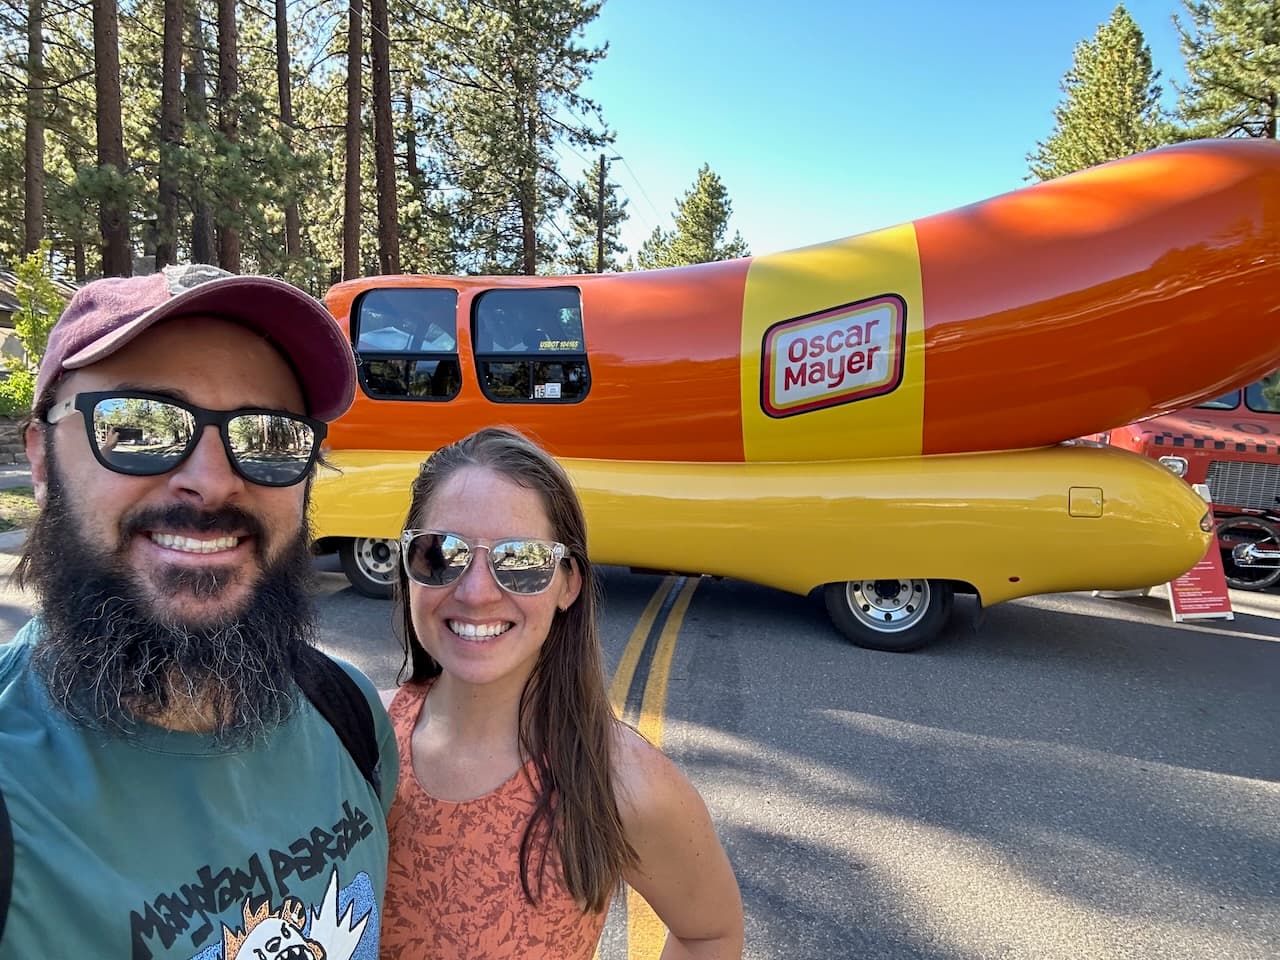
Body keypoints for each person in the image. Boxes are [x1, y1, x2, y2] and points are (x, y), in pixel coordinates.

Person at [0, 264, 399, 959]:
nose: (214, 482)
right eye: (138, 424)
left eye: (269, 436)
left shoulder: (350, 716)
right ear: (41, 460)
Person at [380, 426, 744, 959]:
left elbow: (709, 932)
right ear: (409, 567)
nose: (477, 591)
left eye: (521, 561)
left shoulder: (620, 781)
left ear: (568, 582)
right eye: (442, 554)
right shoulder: (360, 740)